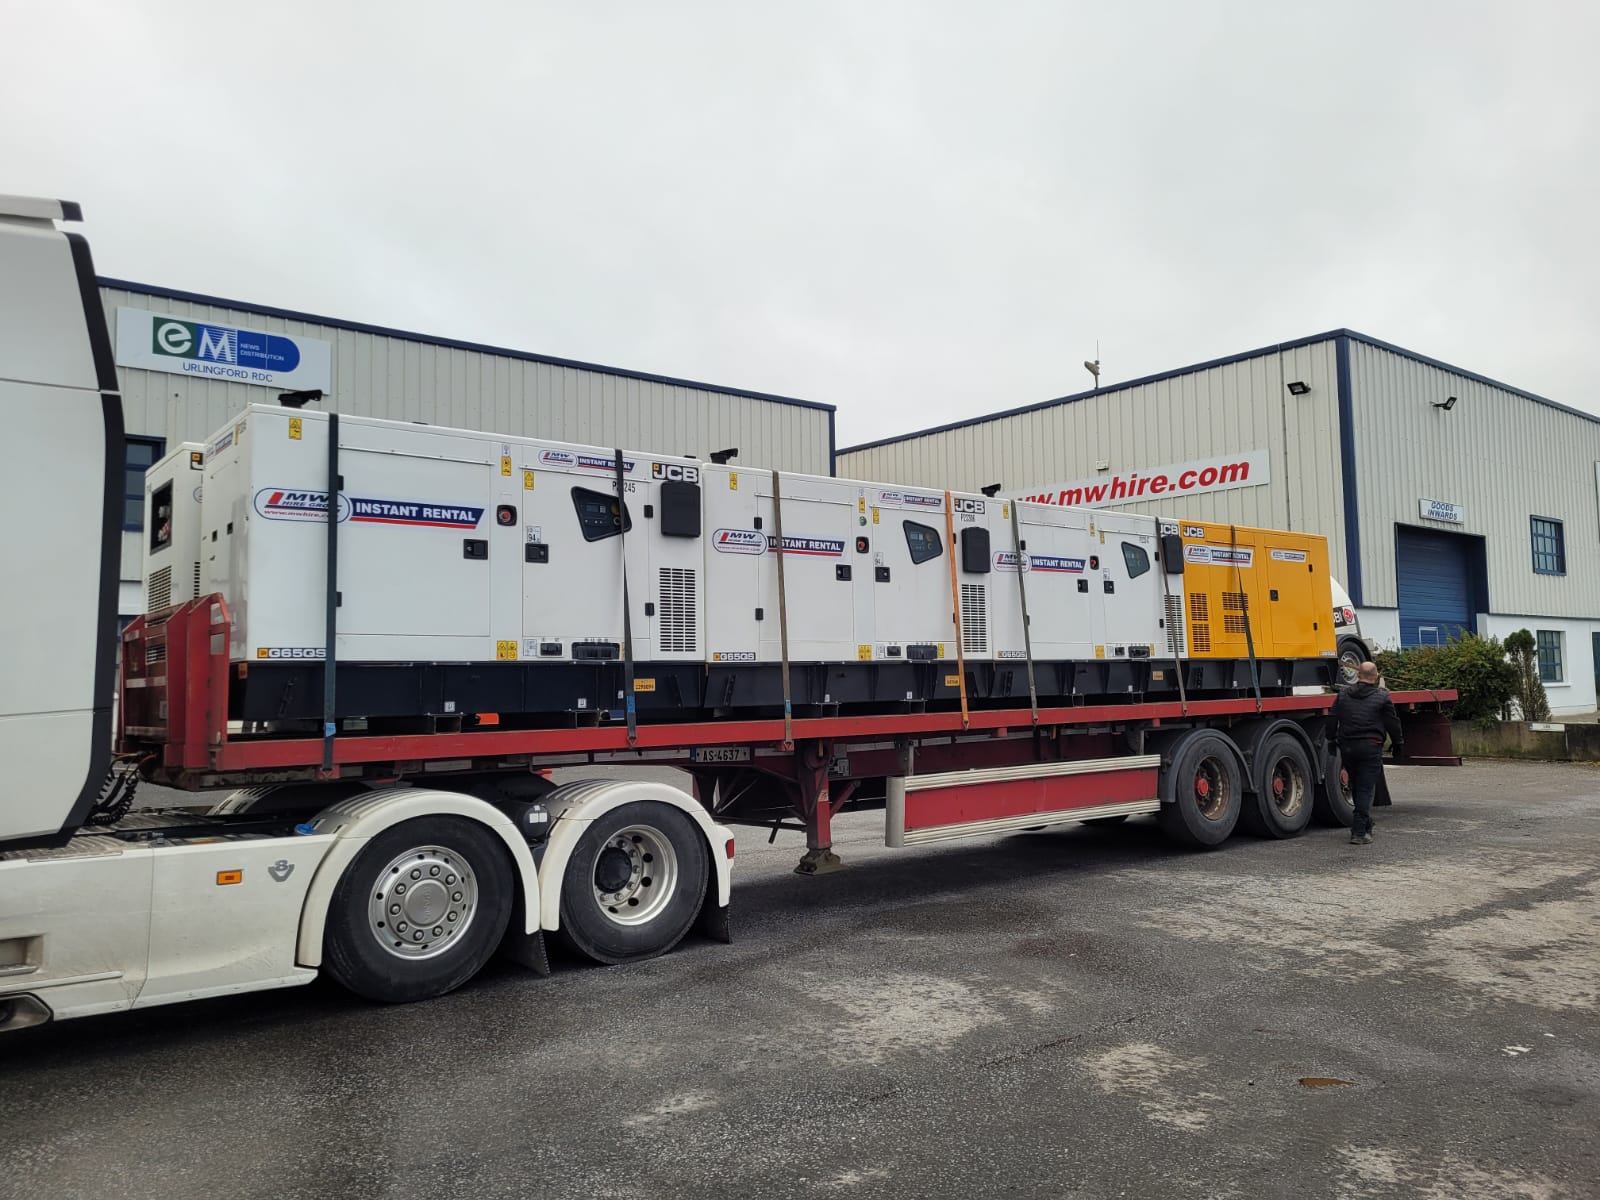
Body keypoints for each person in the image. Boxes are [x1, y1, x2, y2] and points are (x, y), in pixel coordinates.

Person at [1327, 661, 1403, 845]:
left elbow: (1332, 718)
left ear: (1358, 675)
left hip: (1347, 746)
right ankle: (1359, 832)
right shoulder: (1382, 697)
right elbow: (1393, 723)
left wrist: (1330, 740)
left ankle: (1366, 823)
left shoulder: (1343, 695)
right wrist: (1398, 744)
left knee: (1356, 785)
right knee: (1365, 789)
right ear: (1375, 676)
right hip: (1370, 746)